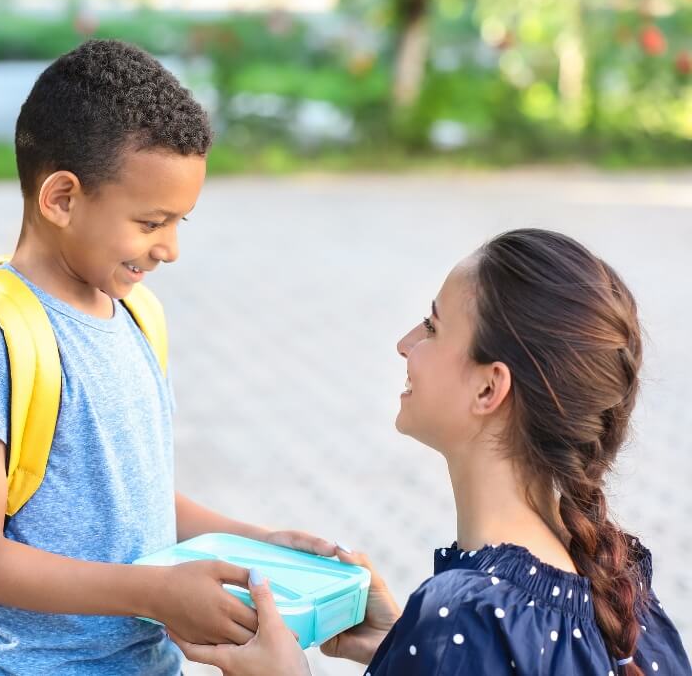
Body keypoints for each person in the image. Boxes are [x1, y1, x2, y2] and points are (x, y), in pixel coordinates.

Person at [0, 39, 335, 675]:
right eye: (151, 223)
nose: (170, 248)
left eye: (182, 223)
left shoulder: (137, 316)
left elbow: (133, 501)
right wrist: (152, 593)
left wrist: (255, 546)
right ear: (62, 199)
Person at [173, 229, 692, 675]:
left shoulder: (469, 613)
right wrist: (404, 646)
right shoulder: (620, 596)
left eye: (432, 327)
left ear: (489, 390)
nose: (405, 343)